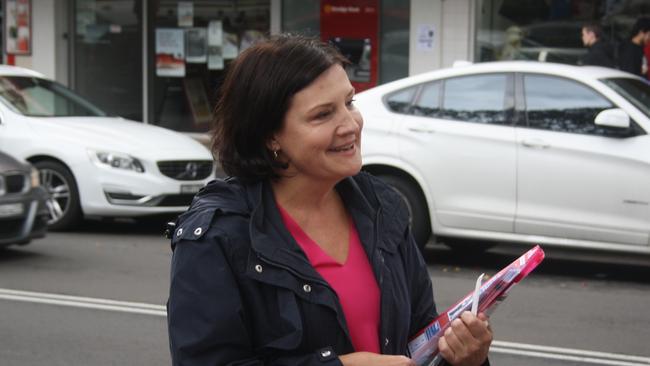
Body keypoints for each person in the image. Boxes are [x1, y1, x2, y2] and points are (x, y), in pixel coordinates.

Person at [166, 34, 493, 366]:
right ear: (270, 136)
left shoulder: (381, 205)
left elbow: (419, 339)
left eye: (349, 103)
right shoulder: (216, 236)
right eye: (323, 115)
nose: (350, 125)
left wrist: (464, 356)